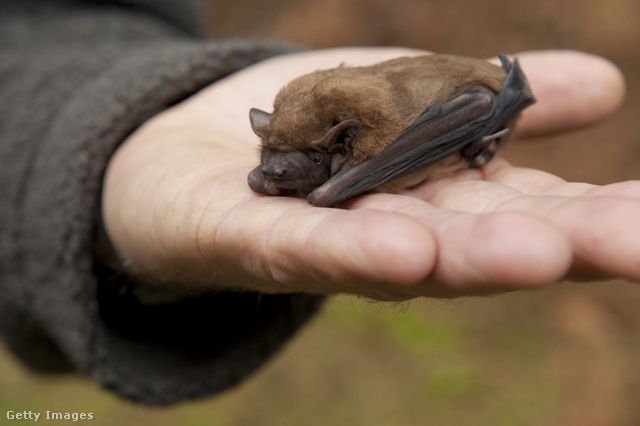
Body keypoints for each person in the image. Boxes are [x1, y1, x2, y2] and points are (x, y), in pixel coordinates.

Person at [0, 0, 634, 406]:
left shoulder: (377, 140)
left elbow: (353, 168)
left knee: (335, 197)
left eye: (291, 163)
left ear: (344, 144)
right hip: (417, 103)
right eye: (268, 152)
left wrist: (339, 186)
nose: (270, 174)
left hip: (464, 107)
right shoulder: (311, 127)